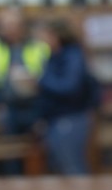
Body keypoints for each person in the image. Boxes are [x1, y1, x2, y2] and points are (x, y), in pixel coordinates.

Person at [0, 7, 50, 173]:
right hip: (7, 109)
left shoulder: (38, 46)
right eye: (5, 25)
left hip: (35, 108)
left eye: (14, 24)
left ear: (22, 25)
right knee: (11, 156)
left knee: (38, 153)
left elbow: (49, 77)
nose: (10, 29)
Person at [35, 18, 100, 175]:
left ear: (55, 36)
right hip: (56, 119)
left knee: (73, 168)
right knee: (62, 167)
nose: (41, 40)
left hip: (70, 119)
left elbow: (69, 87)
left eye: (44, 36)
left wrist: (40, 81)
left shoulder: (72, 56)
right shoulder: (53, 56)